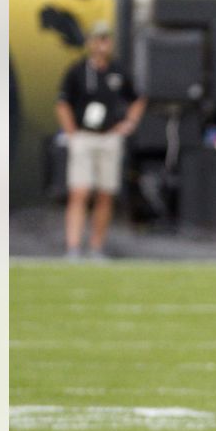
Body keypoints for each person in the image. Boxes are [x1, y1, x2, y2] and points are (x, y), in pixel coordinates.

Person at [55, 21, 146, 259]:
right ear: (90, 42)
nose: (102, 44)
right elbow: (63, 103)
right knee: (80, 191)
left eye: (106, 39)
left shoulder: (118, 71)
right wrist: (71, 132)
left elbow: (137, 98)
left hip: (108, 137)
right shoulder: (77, 71)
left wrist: (129, 123)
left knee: (105, 193)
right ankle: (73, 247)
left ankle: (96, 248)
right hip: (84, 136)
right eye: (97, 39)